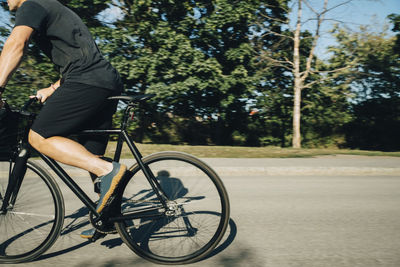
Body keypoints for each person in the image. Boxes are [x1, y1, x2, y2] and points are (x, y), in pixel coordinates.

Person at [0, 0, 127, 239]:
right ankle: (109, 218)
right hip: (104, 81)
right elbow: (81, 56)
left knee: (38, 137)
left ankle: (108, 170)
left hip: (88, 81)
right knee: (92, 154)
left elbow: (17, 43)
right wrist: (53, 87)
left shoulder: (32, 4)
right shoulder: (55, 8)